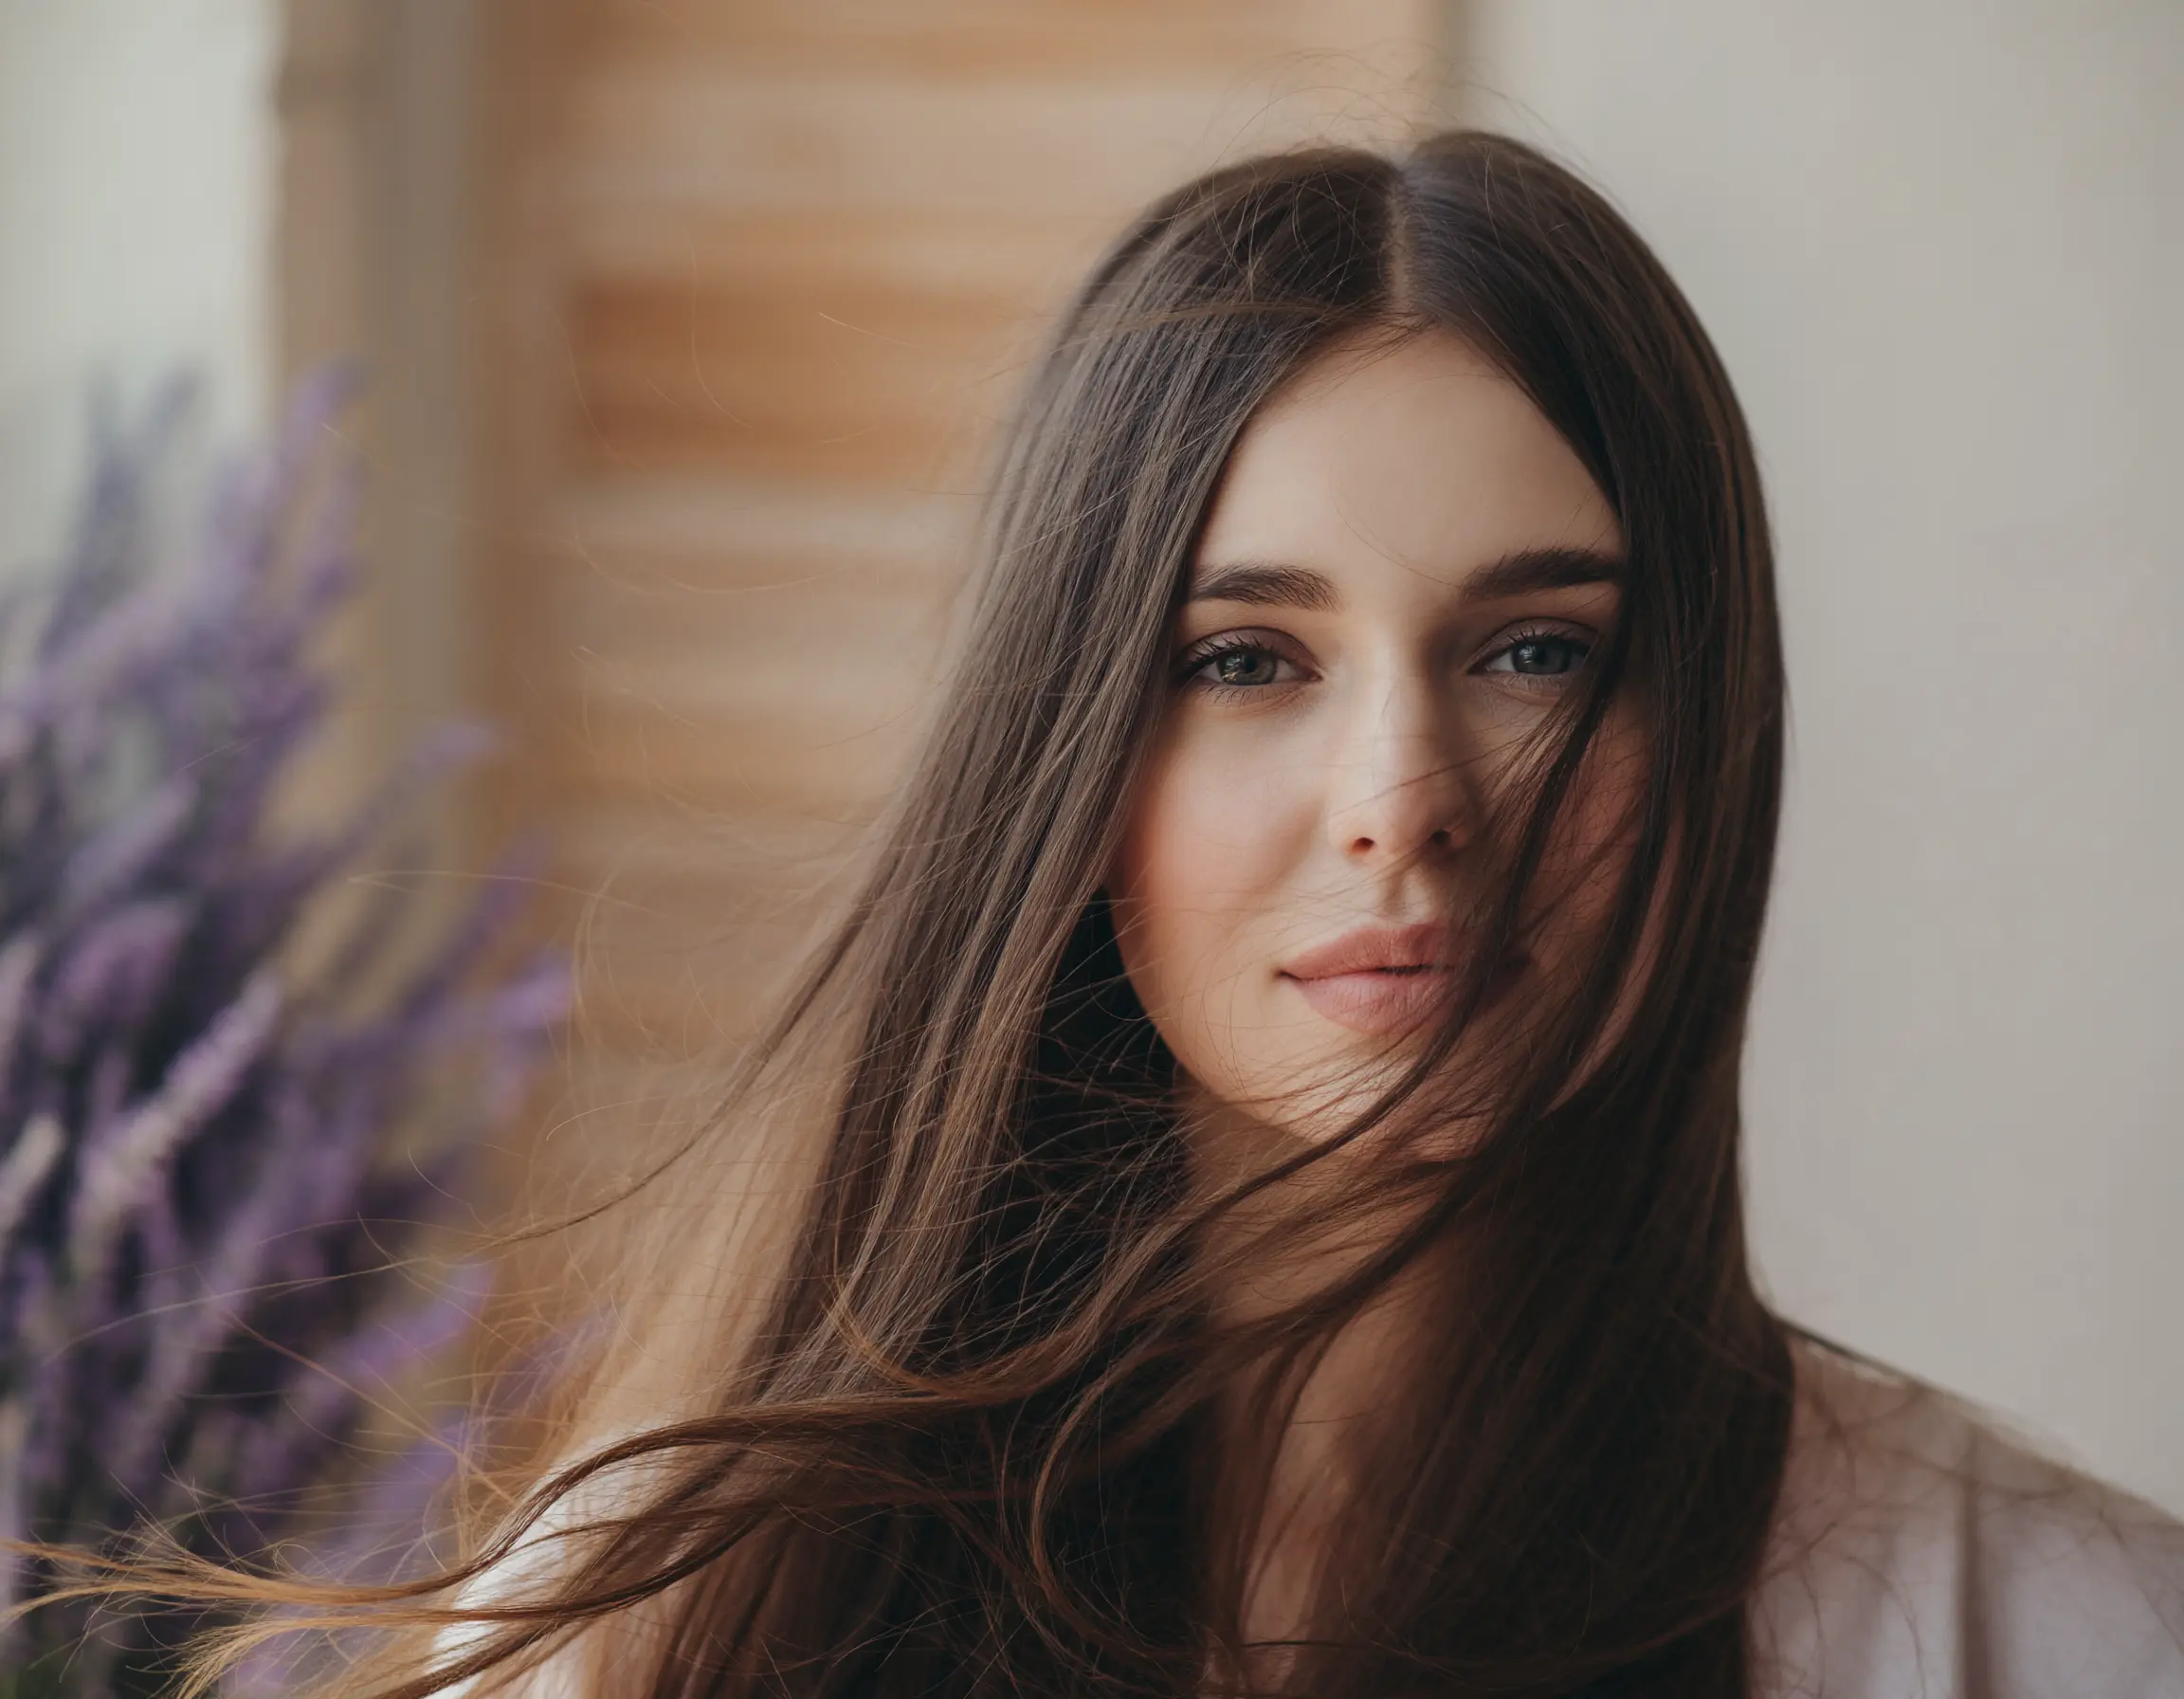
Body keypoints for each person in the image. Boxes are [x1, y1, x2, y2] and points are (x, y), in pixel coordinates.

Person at [185, 129, 2184, 1698]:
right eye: (1245, 659)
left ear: (1712, 727)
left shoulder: (2059, 1624)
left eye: (1538, 652)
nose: (1403, 803)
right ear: (1062, 767)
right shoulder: (671, 1606)